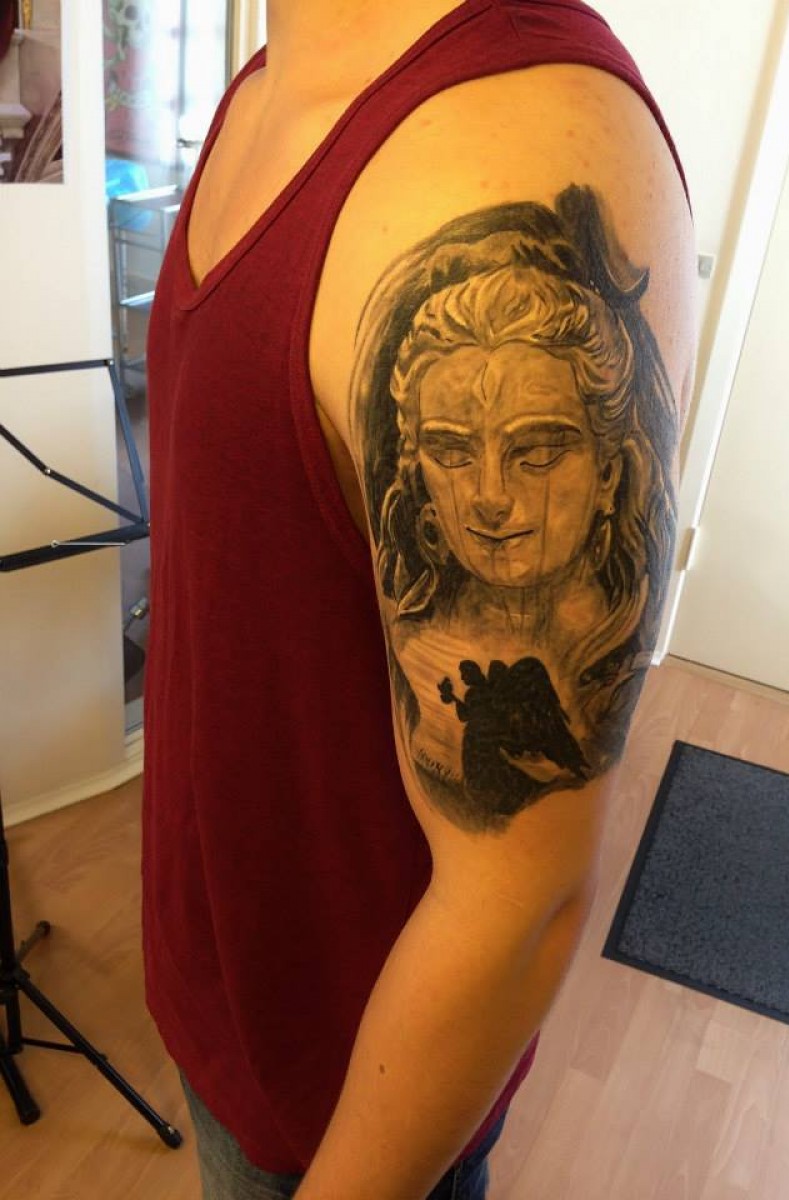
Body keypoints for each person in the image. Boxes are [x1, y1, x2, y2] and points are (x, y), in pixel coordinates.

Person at [141, 3, 696, 1199]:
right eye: (452, 451)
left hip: (351, 1105)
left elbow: (520, 901)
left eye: (537, 450)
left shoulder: (506, 143)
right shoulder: (265, 85)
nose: (491, 500)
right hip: (222, 990)